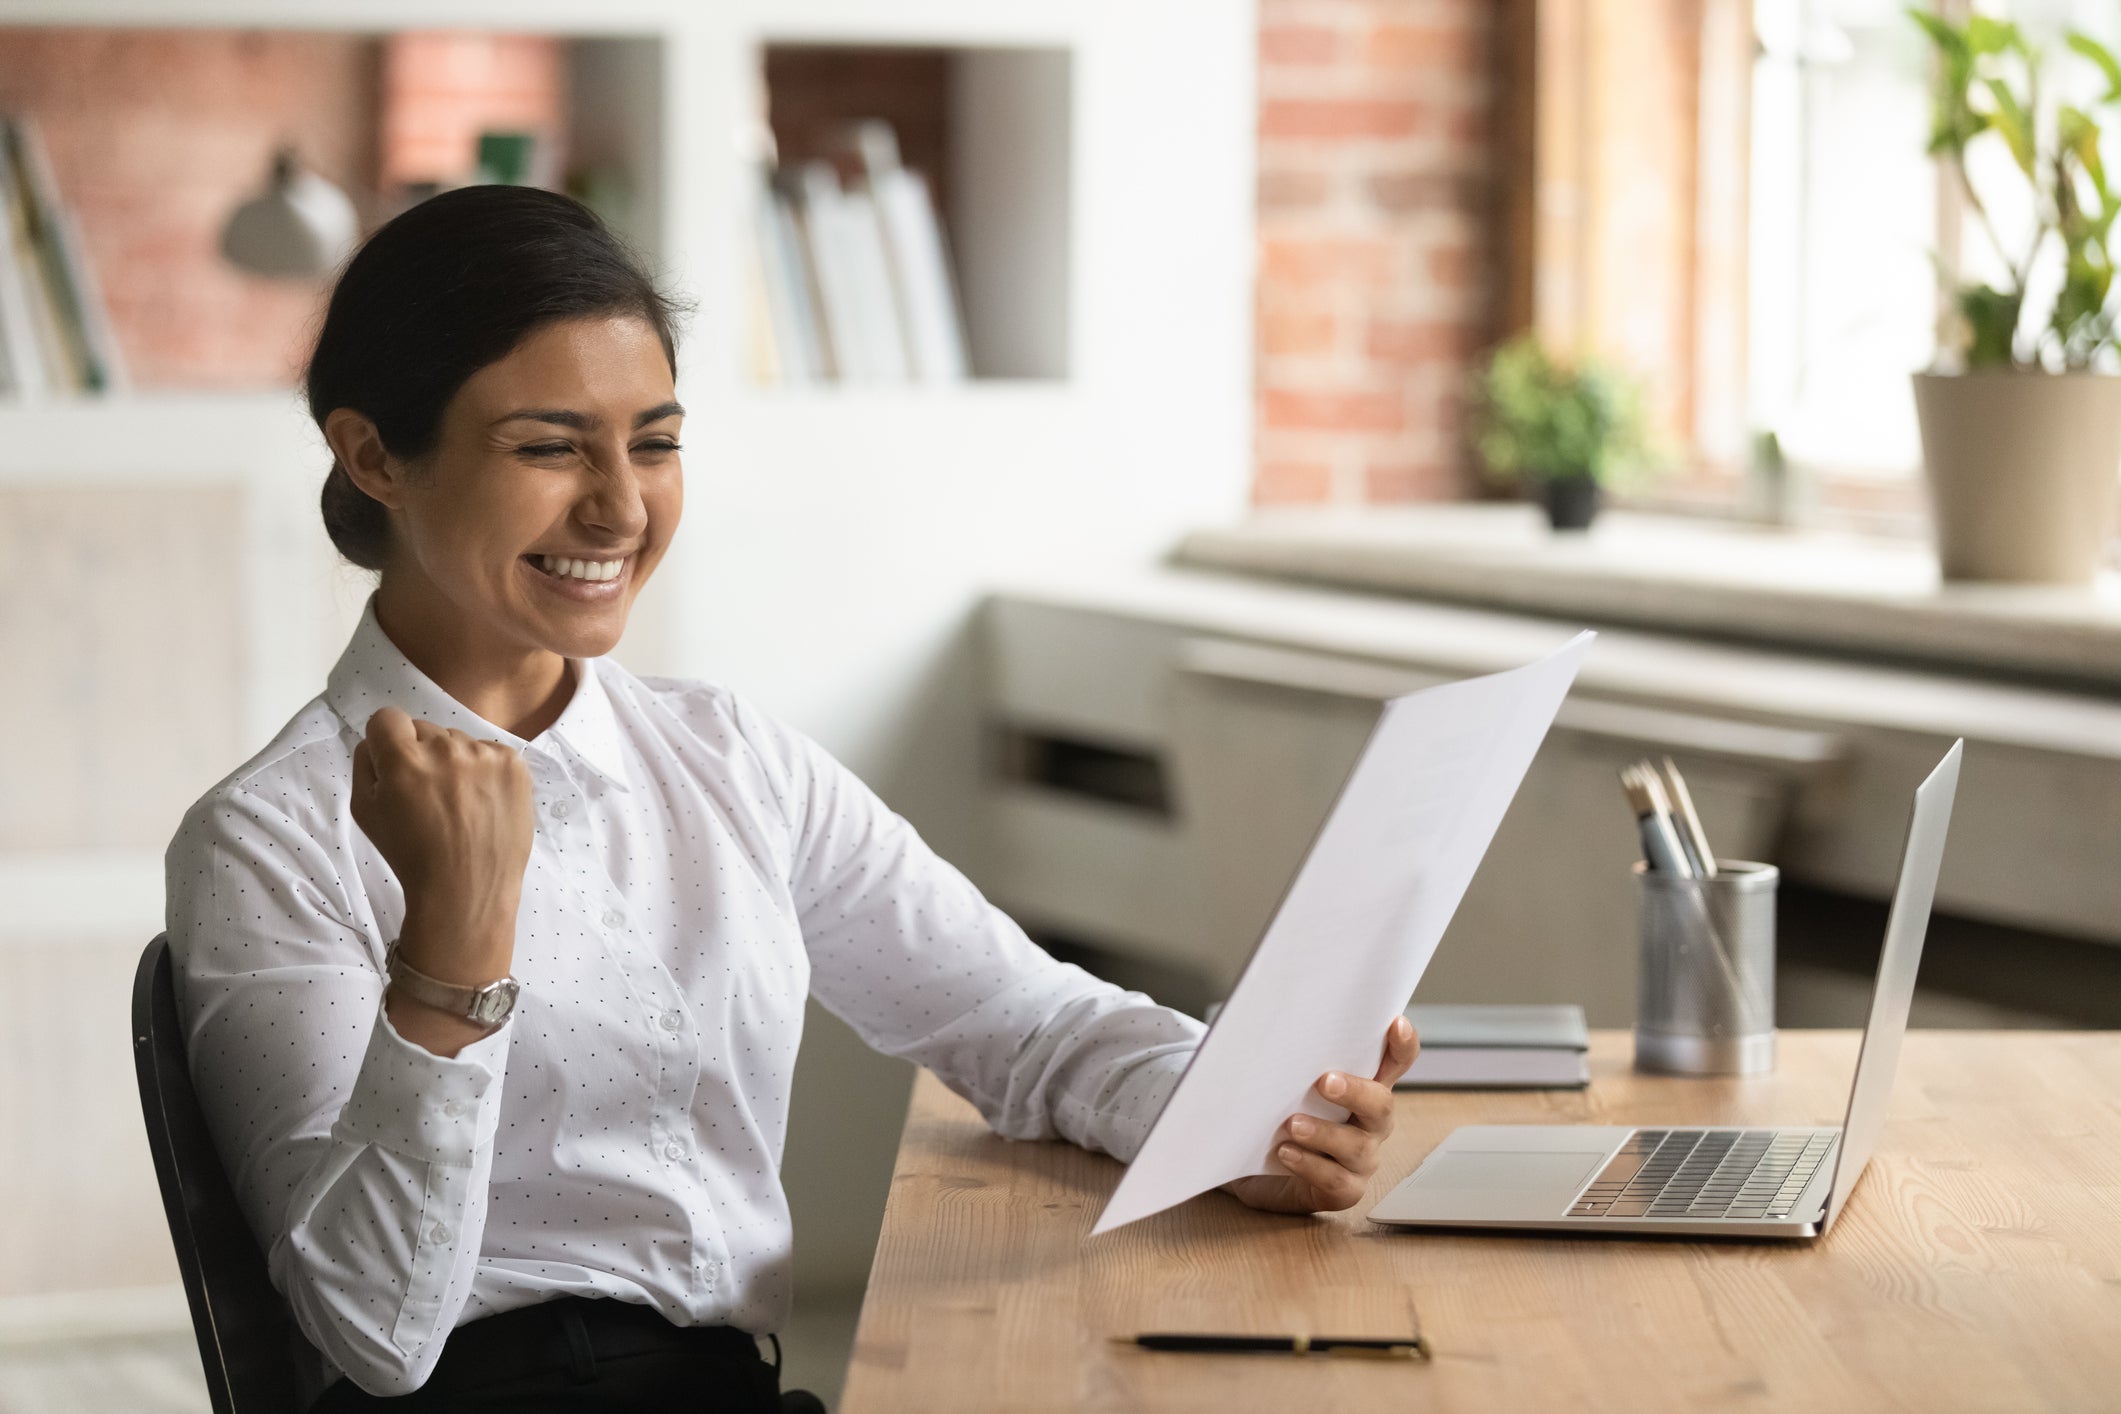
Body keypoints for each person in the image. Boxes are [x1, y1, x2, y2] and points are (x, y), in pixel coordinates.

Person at [164, 185, 1419, 1411]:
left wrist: (1251, 1117)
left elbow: (1025, 1025)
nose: (620, 505)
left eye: (654, 441)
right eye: (549, 445)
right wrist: (452, 954)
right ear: (374, 453)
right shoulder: (269, 838)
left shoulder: (730, 758)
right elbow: (373, 1333)